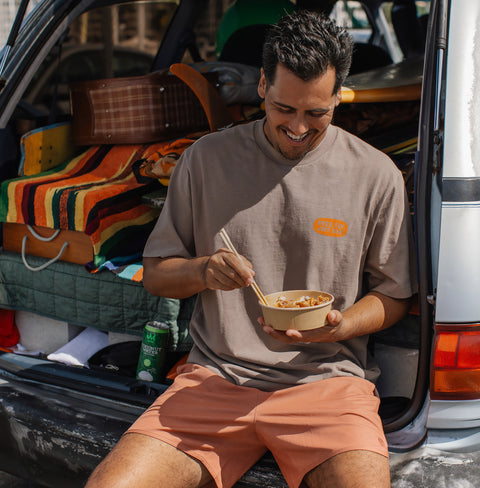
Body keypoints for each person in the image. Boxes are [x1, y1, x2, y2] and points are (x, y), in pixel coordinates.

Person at [85, 10, 416, 488]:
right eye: (284, 108)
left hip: (329, 384)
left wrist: (341, 325)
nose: (298, 127)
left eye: (316, 113)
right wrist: (203, 271)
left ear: (338, 96)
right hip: (216, 379)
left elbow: (394, 295)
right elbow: (156, 274)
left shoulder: (376, 174)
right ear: (262, 84)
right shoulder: (205, 160)